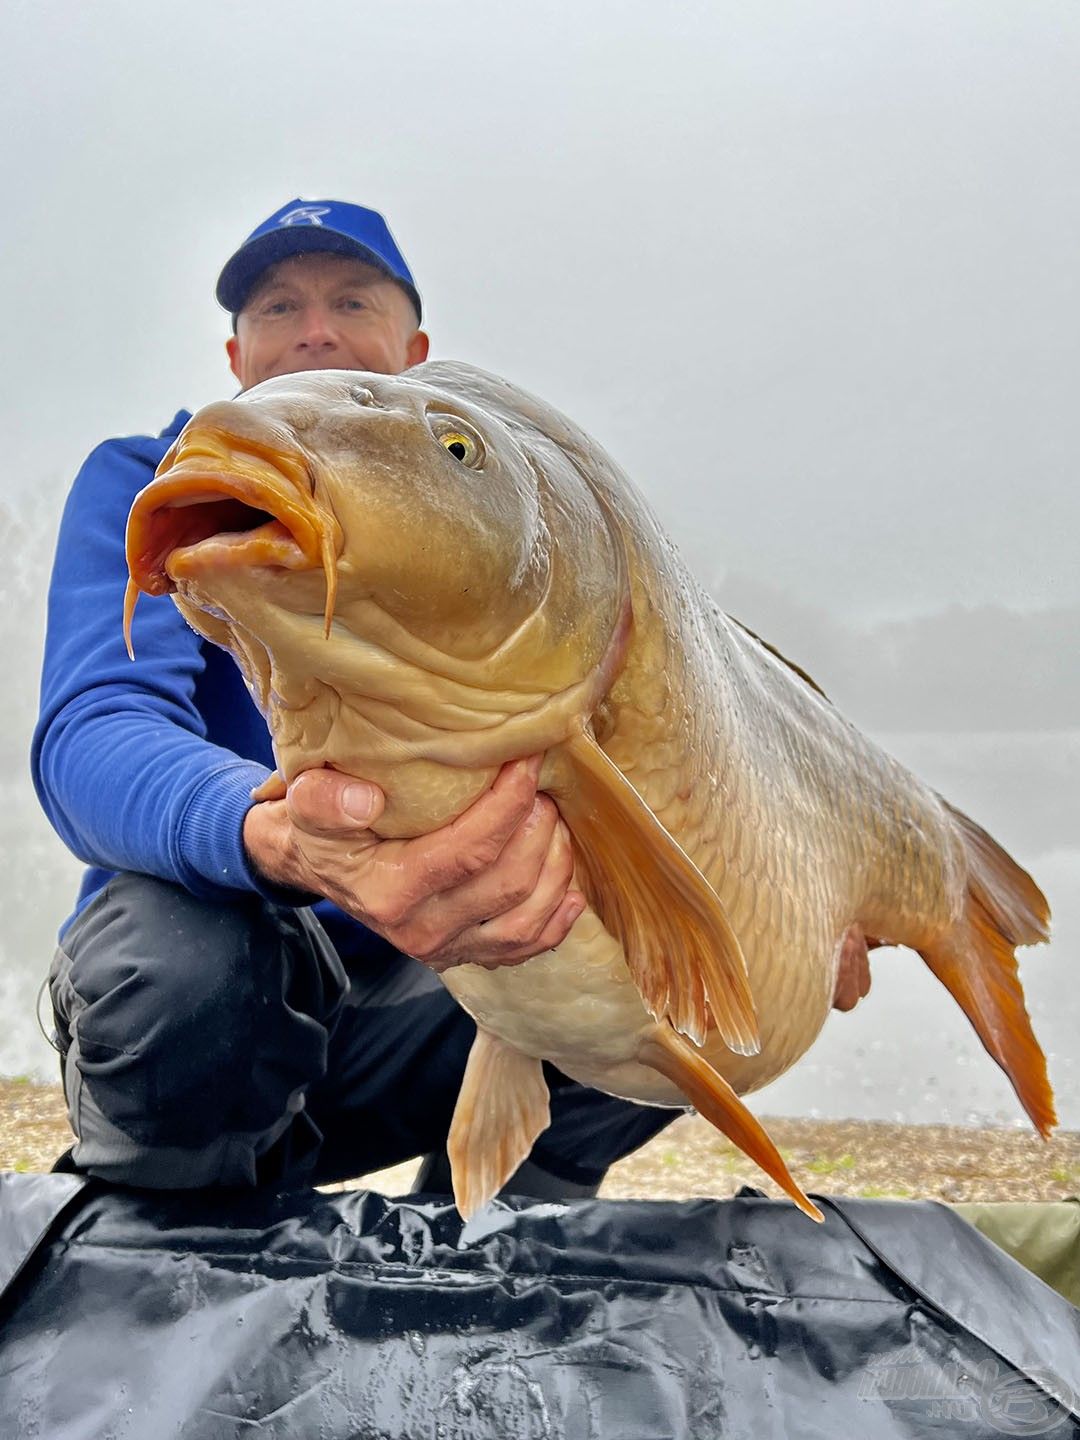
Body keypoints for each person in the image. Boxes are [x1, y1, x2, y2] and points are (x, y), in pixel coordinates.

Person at [31, 198, 683, 1197]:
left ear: (415, 351)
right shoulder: (153, 478)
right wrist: (271, 837)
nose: (315, 328)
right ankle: (173, 1248)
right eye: (279, 307)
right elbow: (92, 734)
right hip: (219, 1005)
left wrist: (783, 906)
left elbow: (625, 768)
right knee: (180, 971)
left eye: (349, 299)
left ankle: (492, 1238)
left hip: (427, 998)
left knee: (686, 963)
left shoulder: (507, 529)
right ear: (236, 355)